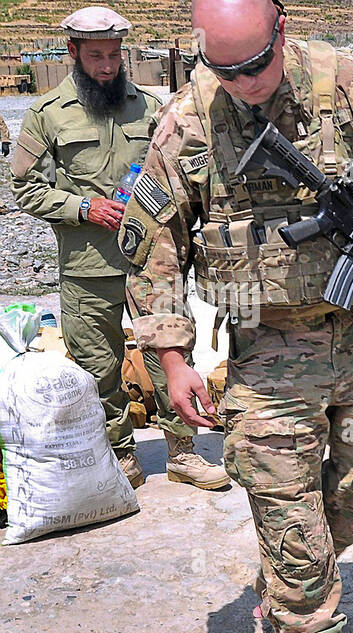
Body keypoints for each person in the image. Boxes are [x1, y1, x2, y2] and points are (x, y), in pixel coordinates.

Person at [123, 0, 353, 633]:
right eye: (224, 71)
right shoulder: (188, 119)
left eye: (255, 66)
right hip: (267, 341)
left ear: (281, 31)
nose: (244, 85)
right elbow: (153, 247)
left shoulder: (346, 82)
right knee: (284, 494)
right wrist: (173, 360)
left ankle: (289, 573)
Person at [11, 6, 227, 492]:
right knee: (98, 366)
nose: (107, 66)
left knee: (168, 352)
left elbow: (181, 176)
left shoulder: (149, 109)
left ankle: (183, 452)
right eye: (96, 56)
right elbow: (25, 187)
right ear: (72, 53)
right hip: (88, 266)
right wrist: (83, 207)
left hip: (151, 263)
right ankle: (121, 453)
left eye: (113, 55)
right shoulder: (47, 115)